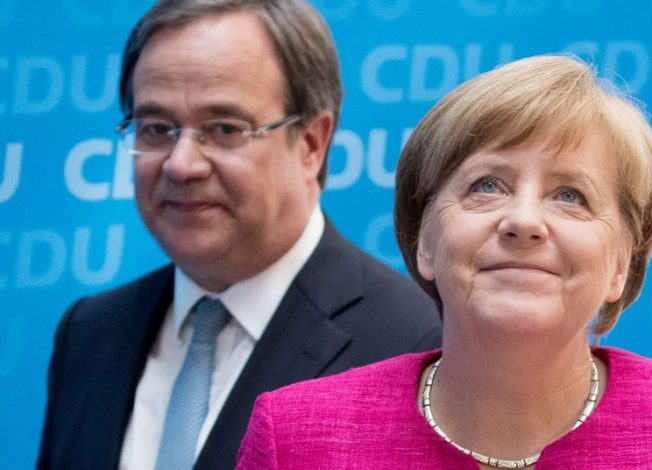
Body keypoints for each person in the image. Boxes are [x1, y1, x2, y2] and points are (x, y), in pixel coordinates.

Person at [236, 55, 652, 468]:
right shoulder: (296, 439)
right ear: (425, 242)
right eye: (487, 185)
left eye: (571, 195)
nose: (523, 221)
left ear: (621, 263)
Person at [36, 1, 442, 469]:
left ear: (312, 143)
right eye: (156, 129)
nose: (181, 164)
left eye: (225, 129)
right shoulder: (91, 332)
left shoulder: (413, 344)